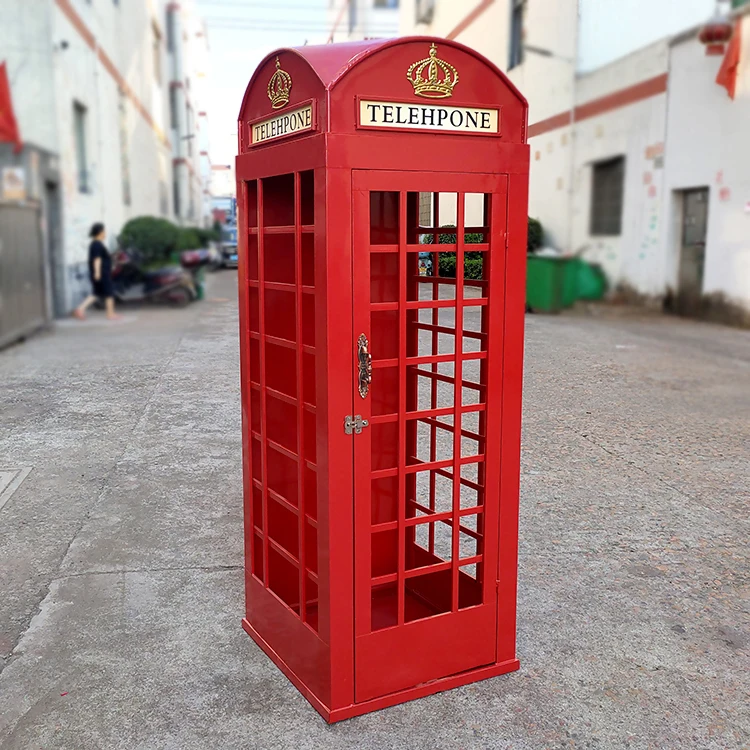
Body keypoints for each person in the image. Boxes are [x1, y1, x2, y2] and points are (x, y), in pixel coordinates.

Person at [73, 223, 121, 321]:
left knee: (96, 293)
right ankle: (110, 314)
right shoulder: (97, 245)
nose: (105, 234)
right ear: (99, 232)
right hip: (102, 274)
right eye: (104, 232)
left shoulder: (95, 244)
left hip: (101, 273)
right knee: (109, 293)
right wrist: (97, 273)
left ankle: (80, 309)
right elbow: (97, 259)